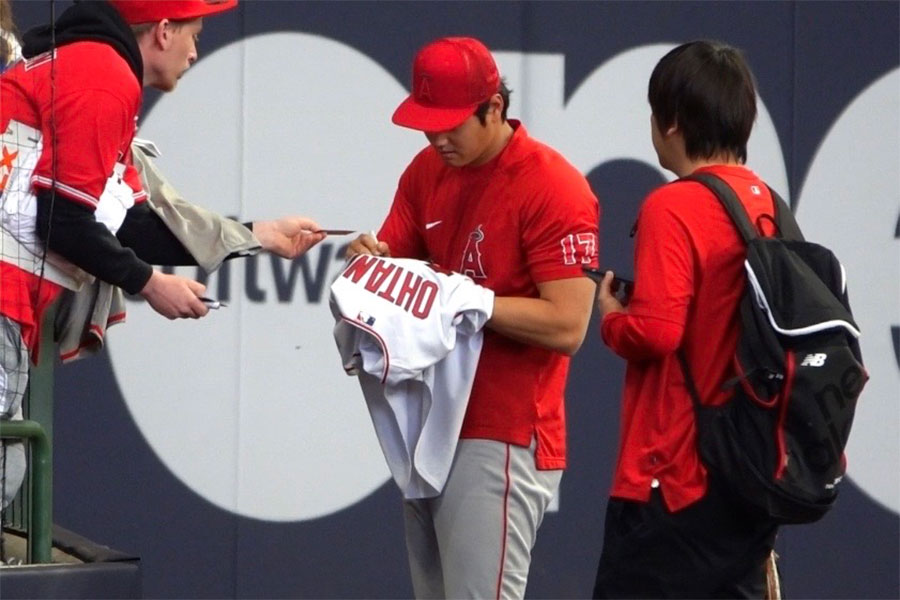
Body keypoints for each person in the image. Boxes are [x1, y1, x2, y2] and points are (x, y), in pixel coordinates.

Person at [0, 0, 326, 509]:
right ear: (164, 31)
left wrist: (258, 235)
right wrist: (150, 284)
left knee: (8, 468)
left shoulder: (92, 65)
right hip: (3, 300)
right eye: (194, 34)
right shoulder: (102, 73)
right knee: (4, 470)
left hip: (12, 304)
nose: (196, 51)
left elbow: (128, 224)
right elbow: (61, 220)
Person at [347, 36, 600, 599]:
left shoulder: (552, 185)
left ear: (494, 108)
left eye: (451, 123)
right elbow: (399, 270)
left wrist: (475, 303)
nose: (437, 137)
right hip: (432, 420)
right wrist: (372, 264)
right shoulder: (426, 170)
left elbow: (569, 325)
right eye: (427, 123)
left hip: (503, 428)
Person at [591, 40, 781, 598]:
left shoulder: (671, 205)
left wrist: (611, 317)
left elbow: (657, 332)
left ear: (670, 122)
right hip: (747, 474)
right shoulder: (767, 202)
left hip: (670, 477)